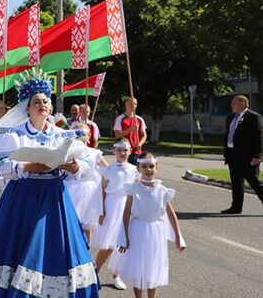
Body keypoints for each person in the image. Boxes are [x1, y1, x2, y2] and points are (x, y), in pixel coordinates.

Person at [0, 70, 99, 297]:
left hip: (54, 198)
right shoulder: (14, 133)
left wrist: (73, 166)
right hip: (23, 197)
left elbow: (87, 164)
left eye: (45, 101)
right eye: (36, 101)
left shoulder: (62, 134)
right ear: (27, 108)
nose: (42, 105)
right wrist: (27, 167)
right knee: (18, 247)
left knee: (54, 248)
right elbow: (2, 166)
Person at [117, 152, 184, 298]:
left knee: (153, 267)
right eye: (144, 166)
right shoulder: (133, 188)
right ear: (139, 168)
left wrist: (178, 237)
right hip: (137, 230)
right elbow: (126, 213)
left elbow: (171, 214)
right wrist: (124, 237)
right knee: (138, 268)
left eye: (151, 166)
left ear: (157, 168)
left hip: (155, 233)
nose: (148, 169)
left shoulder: (162, 191)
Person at [92, 139, 139, 290]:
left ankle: (116, 275)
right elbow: (102, 191)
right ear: (113, 151)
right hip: (111, 206)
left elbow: (138, 192)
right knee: (109, 245)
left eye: (125, 150)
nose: (122, 153)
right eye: (119, 149)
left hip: (128, 207)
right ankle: (95, 271)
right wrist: (102, 211)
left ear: (130, 151)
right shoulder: (108, 170)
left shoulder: (134, 170)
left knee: (123, 244)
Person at [66, 122, 108, 242]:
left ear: (89, 136)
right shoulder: (68, 152)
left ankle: (86, 253)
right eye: (77, 135)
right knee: (70, 224)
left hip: (90, 192)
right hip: (72, 188)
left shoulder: (94, 153)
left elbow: (108, 170)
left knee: (86, 226)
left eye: (83, 135)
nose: (81, 139)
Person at [222, 95, 263, 214]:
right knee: (236, 183)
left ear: (243, 104)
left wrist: (258, 155)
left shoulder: (254, 117)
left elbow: (258, 137)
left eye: (234, 103)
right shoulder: (230, 118)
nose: (231, 105)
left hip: (248, 157)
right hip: (232, 155)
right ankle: (236, 207)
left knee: (255, 183)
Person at [113, 97, 147, 165]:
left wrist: (140, 143)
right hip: (123, 151)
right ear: (125, 105)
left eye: (135, 104)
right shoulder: (120, 118)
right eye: (130, 103)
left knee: (136, 173)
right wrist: (130, 129)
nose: (133, 105)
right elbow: (117, 136)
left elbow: (144, 135)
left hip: (136, 151)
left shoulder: (140, 119)